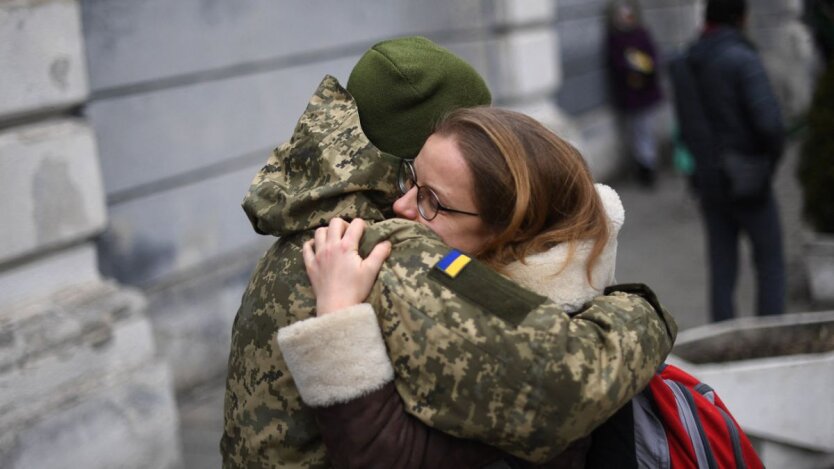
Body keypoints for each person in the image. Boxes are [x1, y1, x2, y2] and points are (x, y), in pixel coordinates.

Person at [221, 36, 677, 467]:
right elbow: (570, 384)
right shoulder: (389, 250)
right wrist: (640, 308)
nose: (406, 204)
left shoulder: (312, 217)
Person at [279, 106, 633, 467]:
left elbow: (381, 458)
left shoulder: (530, 352)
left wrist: (338, 314)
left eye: (433, 201)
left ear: (511, 231)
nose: (401, 206)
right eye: (410, 179)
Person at [670, 0, 786, 322]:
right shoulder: (742, 58)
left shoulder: (684, 62)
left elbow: (685, 125)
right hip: (750, 179)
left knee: (722, 268)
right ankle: (770, 341)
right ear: (741, 17)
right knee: (770, 263)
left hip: (708, 181)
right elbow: (771, 126)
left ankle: (724, 345)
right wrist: (768, 163)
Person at [606, 0, 663, 187]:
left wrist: (642, 69)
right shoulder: (616, 39)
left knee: (646, 129)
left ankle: (648, 166)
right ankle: (644, 166)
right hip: (631, 95)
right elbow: (617, 65)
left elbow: (652, 59)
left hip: (644, 92)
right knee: (637, 131)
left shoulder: (641, 35)